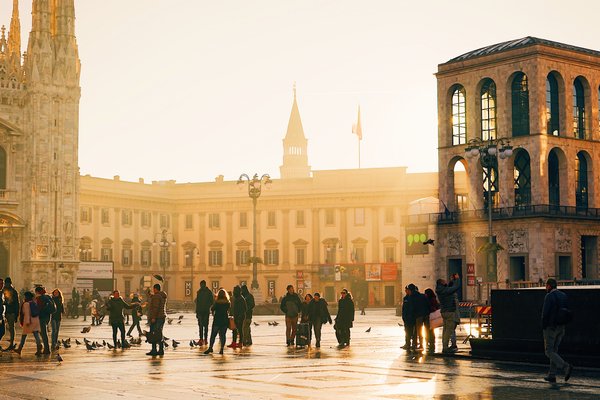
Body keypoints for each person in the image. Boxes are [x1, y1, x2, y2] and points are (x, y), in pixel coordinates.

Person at [542, 278, 573, 383]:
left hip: (551, 328)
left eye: (546, 285)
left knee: (548, 351)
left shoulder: (549, 296)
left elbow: (545, 313)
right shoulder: (563, 295)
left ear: (549, 286)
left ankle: (565, 367)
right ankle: (552, 375)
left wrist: (543, 326)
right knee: (554, 351)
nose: (545, 288)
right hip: (561, 327)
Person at [435, 274, 461, 353]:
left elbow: (449, 288)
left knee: (445, 330)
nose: (445, 281)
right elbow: (455, 288)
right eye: (444, 281)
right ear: (441, 283)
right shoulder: (444, 291)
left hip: (444, 312)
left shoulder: (441, 290)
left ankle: (444, 345)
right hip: (449, 312)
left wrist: (452, 281)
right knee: (448, 330)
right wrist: (457, 279)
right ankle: (445, 347)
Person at [13, 291, 42, 356]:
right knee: (36, 335)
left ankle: (19, 349)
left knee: (24, 335)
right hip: (36, 320)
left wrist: (26, 322)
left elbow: (27, 314)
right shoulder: (34, 302)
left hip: (29, 321)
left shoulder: (26, 304)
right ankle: (39, 349)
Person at [204, 289, 230, 355]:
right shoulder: (227, 303)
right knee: (223, 335)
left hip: (217, 320)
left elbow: (212, 309)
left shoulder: (217, 302)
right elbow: (229, 310)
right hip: (224, 320)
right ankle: (221, 349)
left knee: (213, 335)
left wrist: (213, 312)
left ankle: (210, 347)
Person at [147, 283, 167, 356]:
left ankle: (154, 350)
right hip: (162, 316)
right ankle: (161, 349)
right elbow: (157, 299)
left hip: (157, 317)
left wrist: (153, 317)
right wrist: (152, 296)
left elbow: (155, 308)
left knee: (154, 334)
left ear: (155, 289)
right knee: (159, 333)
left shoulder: (156, 297)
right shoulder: (162, 296)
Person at [34, 286, 54, 355]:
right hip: (47, 317)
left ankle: (47, 349)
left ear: (37, 292)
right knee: (44, 333)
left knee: (43, 334)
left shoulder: (40, 298)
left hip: (41, 317)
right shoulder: (48, 297)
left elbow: (38, 309)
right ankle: (46, 348)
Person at [411, 284, 430, 352]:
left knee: (419, 330)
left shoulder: (412, 297)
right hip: (426, 314)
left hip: (418, 316)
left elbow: (412, 308)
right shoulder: (423, 296)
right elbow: (428, 304)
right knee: (427, 329)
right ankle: (427, 342)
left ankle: (421, 344)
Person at [195, 280, 214, 346]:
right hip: (203, 311)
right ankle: (203, 339)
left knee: (204, 326)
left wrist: (207, 305)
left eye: (202, 285)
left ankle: (204, 339)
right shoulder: (202, 292)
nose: (201, 286)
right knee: (202, 326)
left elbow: (212, 301)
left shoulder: (203, 292)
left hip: (204, 311)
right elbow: (197, 302)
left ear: (204, 284)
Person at [3, 277, 19, 350]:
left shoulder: (11, 291)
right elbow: (17, 304)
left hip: (10, 312)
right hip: (8, 312)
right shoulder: (12, 291)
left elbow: (16, 303)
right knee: (10, 328)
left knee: (11, 328)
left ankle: (12, 343)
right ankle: (12, 343)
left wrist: (16, 314)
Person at [424, 288, 440, 354]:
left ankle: (430, 342)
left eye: (425, 293)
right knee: (431, 330)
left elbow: (431, 307)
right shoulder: (434, 299)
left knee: (429, 330)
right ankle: (431, 342)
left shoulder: (429, 300)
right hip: (432, 317)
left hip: (430, 316)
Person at [401, 286, 415, 350]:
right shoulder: (405, 298)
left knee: (412, 331)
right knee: (407, 331)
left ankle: (413, 344)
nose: (405, 291)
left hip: (412, 317)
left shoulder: (413, 298)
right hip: (406, 318)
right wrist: (403, 316)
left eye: (406, 290)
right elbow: (404, 308)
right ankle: (407, 343)